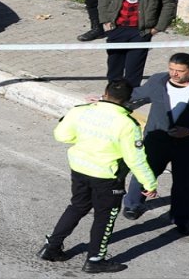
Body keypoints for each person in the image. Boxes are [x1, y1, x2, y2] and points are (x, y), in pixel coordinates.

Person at [38, 80, 158, 274]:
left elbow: (62, 135)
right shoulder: (127, 124)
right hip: (107, 177)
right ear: (128, 100)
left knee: (77, 206)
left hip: (79, 169)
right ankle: (95, 260)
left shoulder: (80, 110)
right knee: (105, 217)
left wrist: (87, 140)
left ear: (105, 93)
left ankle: (51, 247)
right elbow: (135, 159)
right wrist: (149, 183)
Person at [122, 53, 189, 235]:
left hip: (186, 143)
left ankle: (181, 219)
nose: (174, 74)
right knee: (144, 172)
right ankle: (133, 204)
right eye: (171, 69)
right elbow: (136, 96)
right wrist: (107, 99)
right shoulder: (158, 81)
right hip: (156, 139)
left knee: (185, 183)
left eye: (179, 71)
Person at [99, 0, 177, 89]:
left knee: (134, 66)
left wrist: (158, 28)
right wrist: (106, 20)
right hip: (117, 27)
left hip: (141, 31)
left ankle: (131, 94)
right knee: (114, 64)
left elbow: (169, 4)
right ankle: (113, 92)